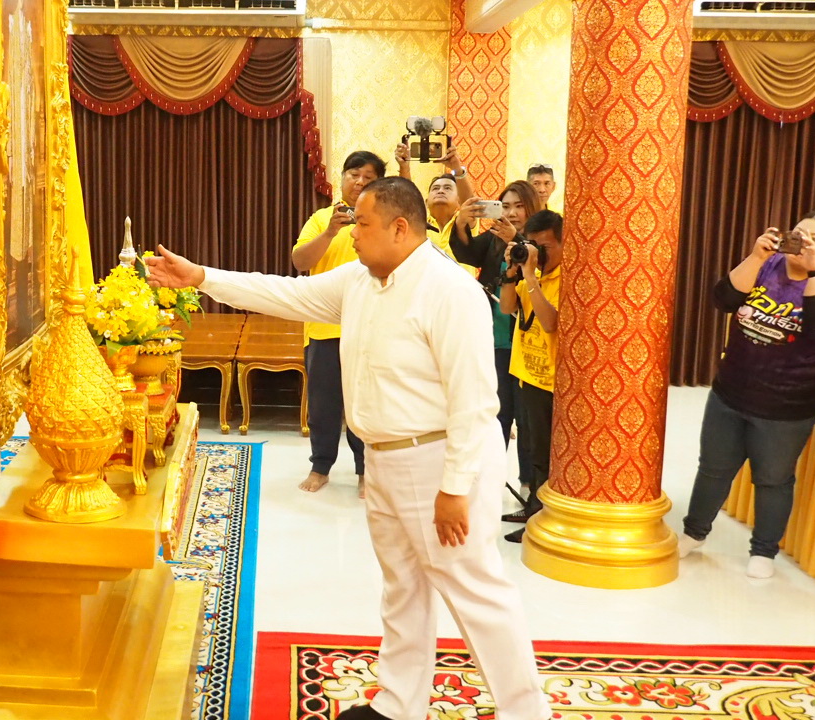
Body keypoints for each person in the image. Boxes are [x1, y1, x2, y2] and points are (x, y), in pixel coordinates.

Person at [146, 177, 550, 720]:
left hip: (439, 464)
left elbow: (476, 404)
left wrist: (455, 489)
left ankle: (527, 712)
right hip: (384, 459)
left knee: (475, 593)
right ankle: (398, 703)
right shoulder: (362, 281)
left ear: (400, 228)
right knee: (402, 586)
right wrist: (201, 277)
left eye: (361, 224)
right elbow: (285, 293)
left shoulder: (450, 291)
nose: (353, 235)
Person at [678, 212, 815, 579]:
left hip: (787, 407)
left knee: (773, 479)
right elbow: (723, 298)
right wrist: (756, 256)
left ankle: (764, 550)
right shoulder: (767, 265)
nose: (803, 243)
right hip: (731, 392)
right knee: (713, 469)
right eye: (798, 234)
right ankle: (694, 533)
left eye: (814, 240)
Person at [291, 151, 384, 496]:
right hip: (323, 327)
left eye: (369, 178)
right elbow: (300, 261)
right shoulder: (321, 218)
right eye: (354, 175)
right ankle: (320, 467)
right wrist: (330, 232)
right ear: (342, 178)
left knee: (365, 402)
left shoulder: (382, 222)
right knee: (324, 402)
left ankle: (364, 471)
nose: (359, 182)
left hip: (370, 326)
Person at [454, 181, 542, 497]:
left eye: (518, 205)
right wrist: (463, 221)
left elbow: (542, 265)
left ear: (531, 206)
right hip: (496, 336)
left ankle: (530, 486)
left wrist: (516, 240)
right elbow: (465, 250)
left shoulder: (543, 238)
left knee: (528, 417)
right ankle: (490, 482)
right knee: (496, 412)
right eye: (505, 206)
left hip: (531, 340)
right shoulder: (493, 239)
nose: (512, 212)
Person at [497, 210, 564, 544]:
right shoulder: (529, 274)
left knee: (543, 456)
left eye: (544, 246)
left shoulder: (566, 278)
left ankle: (539, 522)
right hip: (524, 374)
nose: (538, 253)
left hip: (549, 381)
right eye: (532, 245)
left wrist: (531, 276)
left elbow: (550, 323)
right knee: (531, 448)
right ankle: (534, 509)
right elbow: (508, 309)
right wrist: (513, 273)